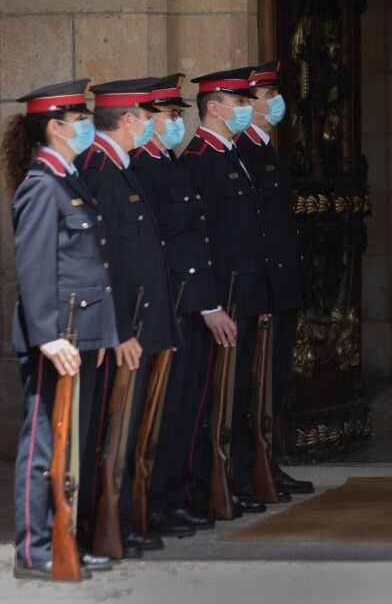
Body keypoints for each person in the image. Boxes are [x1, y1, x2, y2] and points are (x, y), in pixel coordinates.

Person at [4, 79, 119, 579]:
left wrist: (99, 335)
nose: (89, 126)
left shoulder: (69, 180)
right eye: (81, 119)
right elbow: (34, 269)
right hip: (57, 337)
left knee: (72, 443)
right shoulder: (40, 185)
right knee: (45, 442)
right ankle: (33, 549)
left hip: (81, 333)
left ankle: (63, 535)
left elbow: (90, 266)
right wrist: (48, 336)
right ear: (55, 126)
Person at [78, 78, 183, 556]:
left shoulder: (122, 167)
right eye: (146, 115)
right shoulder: (99, 169)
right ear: (127, 120)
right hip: (124, 326)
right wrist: (118, 329)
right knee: (109, 429)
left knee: (131, 429)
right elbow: (103, 261)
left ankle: (121, 517)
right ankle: (102, 522)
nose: (152, 123)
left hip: (142, 321)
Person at [128, 73, 238, 532]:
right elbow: (163, 244)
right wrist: (204, 301)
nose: (177, 122)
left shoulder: (168, 162)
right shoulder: (139, 166)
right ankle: (151, 499)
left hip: (190, 301)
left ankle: (172, 492)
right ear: (143, 119)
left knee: (186, 403)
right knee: (163, 406)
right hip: (171, 302)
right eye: (170, 115)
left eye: (177, 114)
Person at [180, 67, 288, 514]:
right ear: (215, 107)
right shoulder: (200, 159)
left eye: (249, 101)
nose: (249, 110)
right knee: (215, 396)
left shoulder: (234, 157)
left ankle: (237, 476)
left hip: (246, 294)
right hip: (224, 296)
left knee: (242, 392)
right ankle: (212, 481)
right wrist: (213, 301)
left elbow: (253, 233)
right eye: (241, 103)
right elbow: (204, 238)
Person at [241, 59, 314, 495]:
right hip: (261, 290)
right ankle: (253, 468)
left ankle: (269, 463)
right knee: (256, 386)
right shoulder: (244, 153)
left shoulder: (264, 150)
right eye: (268, 96)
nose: (276, 102)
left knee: (275, 383)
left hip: (281, 285)